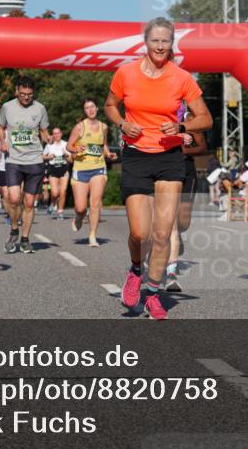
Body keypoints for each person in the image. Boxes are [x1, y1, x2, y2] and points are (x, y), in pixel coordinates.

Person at [105, 17, 211, 320]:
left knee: (163, 234)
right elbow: (110, 105)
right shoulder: (125, 73)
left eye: (166, 41)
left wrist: (181, 124)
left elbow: (205, 117)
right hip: (137, 155)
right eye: (155, 41)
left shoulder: (181, 77)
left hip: (170, 157)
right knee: (140, 233)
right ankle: (136, 270)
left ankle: (152, 293)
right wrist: (123, 123)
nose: (160, 46)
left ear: (172, 43)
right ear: (145, 42)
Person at [0, 75, 50, 253]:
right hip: (14, 160)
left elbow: (43, 130)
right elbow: (0, 127)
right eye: (23, 94)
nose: (26, 97)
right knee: (13, 199)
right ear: (16, 92)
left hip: (34, 160)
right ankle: (14, 228)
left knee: (28, 202)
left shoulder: (40, 108)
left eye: (29, 94)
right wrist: (3, 142)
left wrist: (47, 138)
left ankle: (25, 239)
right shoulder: (7, 107)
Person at [166, 105, 208, 292]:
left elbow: (202, 147)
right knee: (169, 220)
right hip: (166, 170)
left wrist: (182, 150)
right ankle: (170, 261)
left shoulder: (190, 119)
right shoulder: (160, 116)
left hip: (186, 171)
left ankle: (177, 235)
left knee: (183, 222)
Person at [67, 98, 118, 247]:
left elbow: (104, 145)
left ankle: (93, 236)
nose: (90, 110)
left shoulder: (104, 127)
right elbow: (69, 145)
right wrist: (76, 149)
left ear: (97, 108)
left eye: (92, 107)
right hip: (81, 169)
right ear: (84, 111)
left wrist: (108, 154)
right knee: (81, 207)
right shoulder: (79, 127)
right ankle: (78, 217)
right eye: (87, 108)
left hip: (98, 168)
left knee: (95, 204)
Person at [42, 127, 71, 219]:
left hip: (64, 169)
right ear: (52, 135)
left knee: (63, 192)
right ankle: (53, 203)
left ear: (61, 134)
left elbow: (71, 160)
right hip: (53, 169)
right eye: (54, 133)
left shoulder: (66, 144)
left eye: (58, 133)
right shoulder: (49, 146)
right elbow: (42, 156)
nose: (57, 135)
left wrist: (66, 155)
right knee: (55, 193)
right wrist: (48, 157)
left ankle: (60, 211)